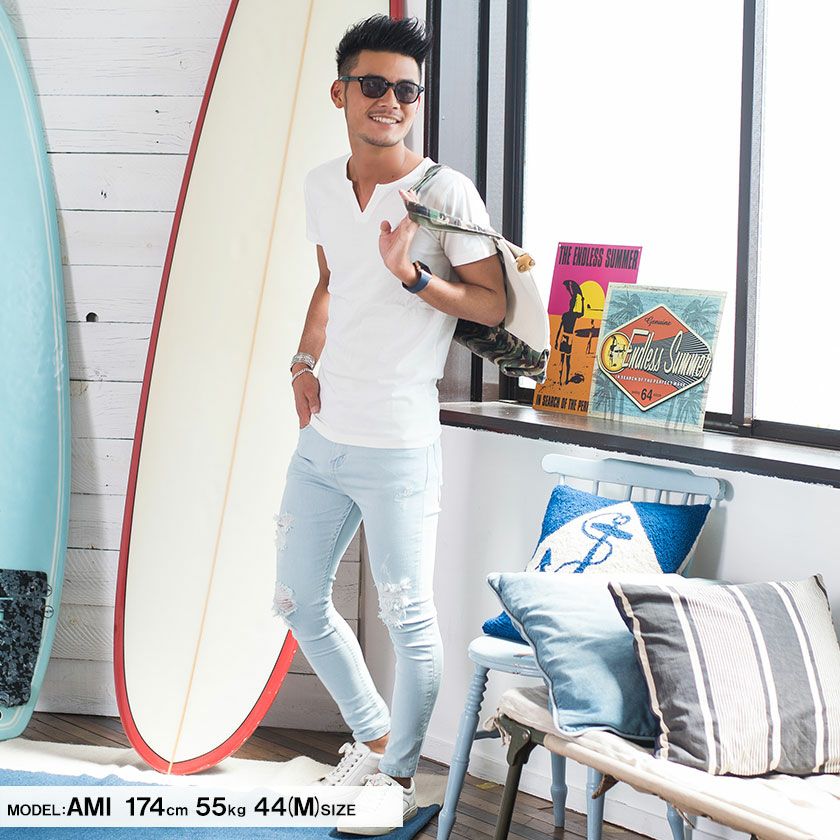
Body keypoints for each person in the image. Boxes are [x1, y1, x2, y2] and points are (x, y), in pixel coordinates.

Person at [271, 14, 505, 834]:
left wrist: (412, 276)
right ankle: (374, 739)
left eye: (407, 90)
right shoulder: (319, 184)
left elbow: (492, 303)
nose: (391, 101)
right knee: (298, 601)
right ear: (340, 93)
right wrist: (303, 362)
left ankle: (398, 779)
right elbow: (329, 283)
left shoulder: (444, 193)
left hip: (400, 445)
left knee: (410, 621)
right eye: (373, 85)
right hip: (323, 439)